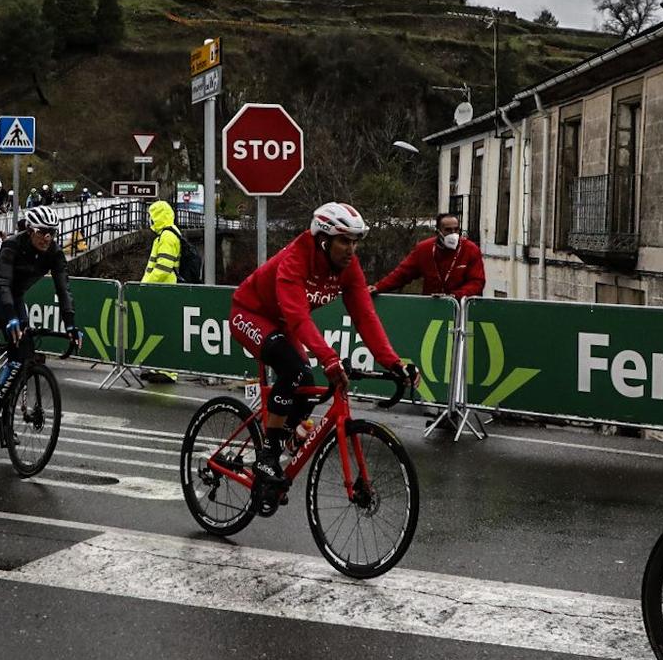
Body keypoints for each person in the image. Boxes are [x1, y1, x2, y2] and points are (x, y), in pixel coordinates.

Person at [227, 202, 417, 510]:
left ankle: (283, 440)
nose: (351, 249)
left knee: (305, 388)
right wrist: (329, 358)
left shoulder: (348, 268)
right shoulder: (296, 258)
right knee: (294, 372)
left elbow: (366, 317)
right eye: (345, 240)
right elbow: (298, 316)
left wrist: (394, 362)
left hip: (284, 323)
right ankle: (267, 455)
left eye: (355, 241)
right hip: (250, 313)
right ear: (323, 239)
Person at [0, 205, 78, 383]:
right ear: (29, 231)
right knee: (1, 316)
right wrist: (11, 316)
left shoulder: (55, 253)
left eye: (52, 232)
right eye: (42, 232)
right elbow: (3, 282)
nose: (47, 238)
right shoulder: (12, 245)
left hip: (15, 294)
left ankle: (3, 394)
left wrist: (70, 325)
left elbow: (63, 289)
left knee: (24, 342)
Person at [372, 212, 486, 298]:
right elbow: (402, 273)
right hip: (432, 309)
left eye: (456, 230)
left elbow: (477, 282)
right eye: (448, 230)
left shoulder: (471, 249)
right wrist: (378, 287)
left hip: (461, 309)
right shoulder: (424, 249)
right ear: (438, 232)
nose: (453, 234)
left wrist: (454, 296)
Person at [137, 199, 185, 383]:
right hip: (160, 290)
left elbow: (163, 268)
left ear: (158, 216)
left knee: (163, 331)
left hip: (163, 290)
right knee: (156, 329)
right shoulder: (166, 234)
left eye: (151, 216)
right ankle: (157, 367)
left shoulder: (167, 236)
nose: (150, 220)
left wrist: (146, 285)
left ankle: (167, 371)